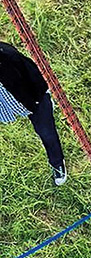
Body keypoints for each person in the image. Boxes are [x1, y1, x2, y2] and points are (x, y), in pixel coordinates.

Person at [0, 42, 67, 185]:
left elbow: (32, 71)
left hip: (33, 101)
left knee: (46, 133)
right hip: (7, 104)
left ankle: (57, 163)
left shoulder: (7, 56)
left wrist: (42, 94)